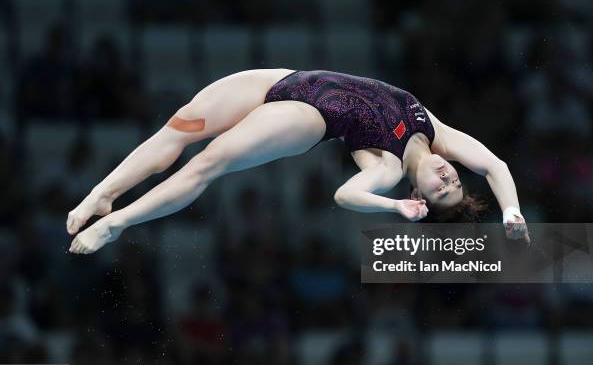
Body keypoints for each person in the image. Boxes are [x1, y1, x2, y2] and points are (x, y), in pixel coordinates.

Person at [66, 68, 529, 254]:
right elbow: (497, 167)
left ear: (418, 196)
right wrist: (511, 212)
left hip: (307, 116)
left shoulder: (386, 170)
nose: (448, 178)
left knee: (208, 162)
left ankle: (119, 223)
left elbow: (344, 194)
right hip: (284, 78)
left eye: (439, 192)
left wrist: (393, 209)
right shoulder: (436, 130)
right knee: (178, 127)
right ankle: (101, 195)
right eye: (454, 182)